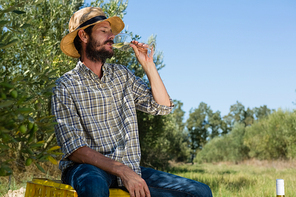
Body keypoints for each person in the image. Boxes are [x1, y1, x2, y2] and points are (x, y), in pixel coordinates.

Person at [52, 6, 213, 197]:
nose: (111, 36)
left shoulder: (122, 75)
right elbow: (75, 149)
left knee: (201, 192)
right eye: (104, 31)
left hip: (129, 169)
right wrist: (121, 169)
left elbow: (162, 107)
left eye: (111, 32)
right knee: (94, 187)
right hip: (88, 169)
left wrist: (148, 65)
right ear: (83, 36)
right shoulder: (66, 85)